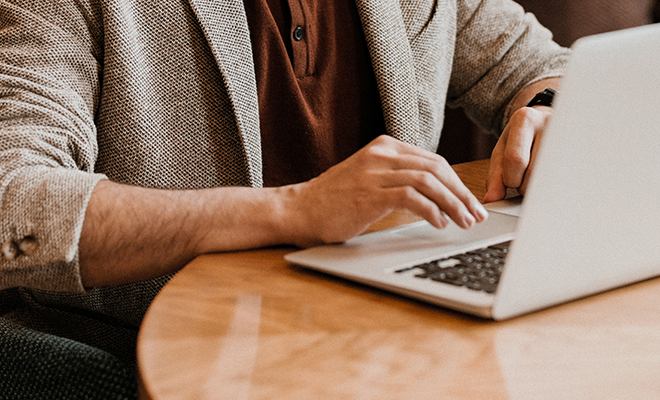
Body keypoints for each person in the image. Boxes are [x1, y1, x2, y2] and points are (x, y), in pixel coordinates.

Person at [0, 0, 568, 379]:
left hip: (397, 344)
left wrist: (549, 110)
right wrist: (292, 209)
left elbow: (540, 64)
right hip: (168, 359)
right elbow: (11, 212)